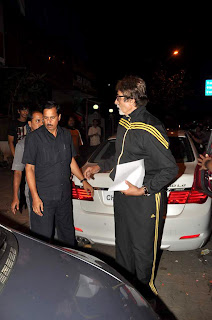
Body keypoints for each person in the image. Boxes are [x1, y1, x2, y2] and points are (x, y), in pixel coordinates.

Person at [84, 76, 178, 301]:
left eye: (119, 98)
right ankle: (126, 293)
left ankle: (146, 300)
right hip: (123, 195)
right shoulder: (125, 123)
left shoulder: (150, 127)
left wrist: (143, 190)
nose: (115, 102)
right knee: (124, 248)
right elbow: (122, 158)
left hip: (145, 200)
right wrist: (100, 165)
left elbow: (169, 169)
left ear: (133, 99)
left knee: (143, 252)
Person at [22, 101, 93, 247]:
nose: (48, 122)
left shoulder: (66, 135)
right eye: (45, 118)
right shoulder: (34, 138)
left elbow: (70, 161)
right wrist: (35, 197)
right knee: (42, 239)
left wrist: (83, 180)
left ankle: (68, 265)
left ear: (59, 117)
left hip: (63, 196)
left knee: (67, 235)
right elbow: (29, 169)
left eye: (52, 118)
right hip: (44, 197)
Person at [11, 110, 43, 218]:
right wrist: (16, 196)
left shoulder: (51, 141)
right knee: (37, 224)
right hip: (32, 190)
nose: (41, 124)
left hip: (51, 189)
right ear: (30, 124)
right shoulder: (22, 145)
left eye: (43, 121)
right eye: (38, 121)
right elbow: (18, 172)